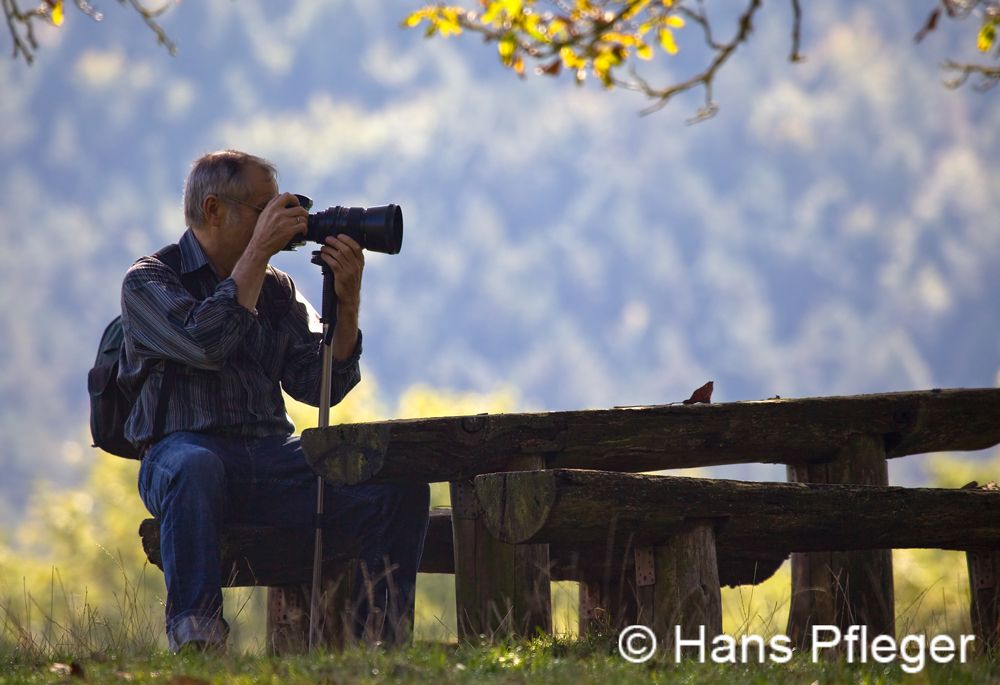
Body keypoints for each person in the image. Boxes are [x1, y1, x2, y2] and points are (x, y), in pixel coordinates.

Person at [119, 150, 429, 653]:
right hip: (178, 454)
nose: (284, 220)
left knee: (398, 488)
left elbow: (320, 387)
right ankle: (198, 640)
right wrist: (257, 256)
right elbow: (206, 343)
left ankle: (378, 647)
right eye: (267, 208)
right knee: (195, 467)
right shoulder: (150, 280)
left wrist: (347, 306)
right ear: (214, 208)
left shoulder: (278, 291)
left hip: (269, 458)